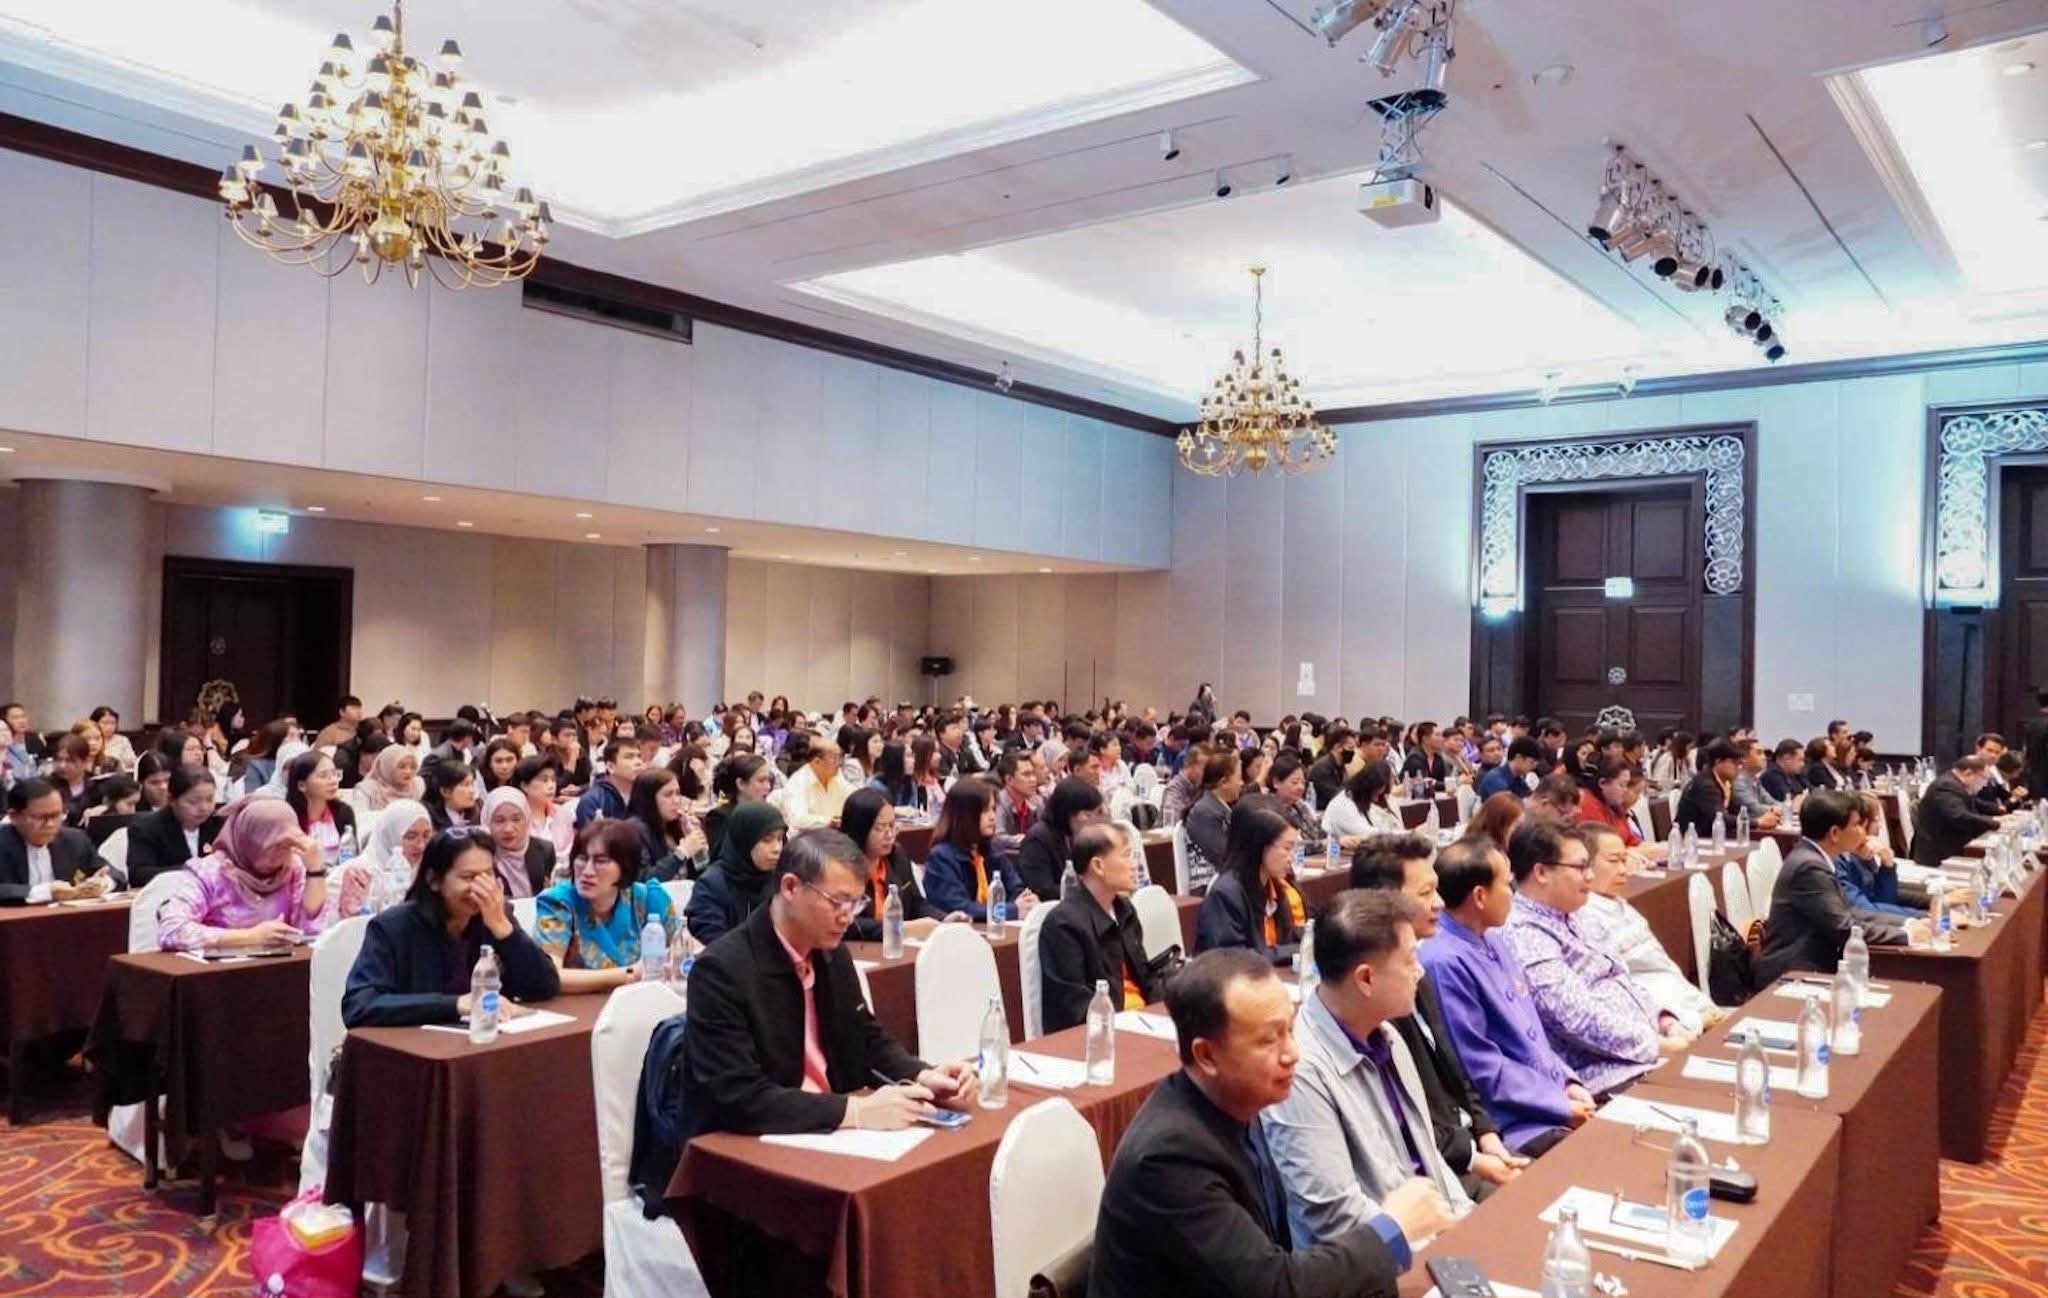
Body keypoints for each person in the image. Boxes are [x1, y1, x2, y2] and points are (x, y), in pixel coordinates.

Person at [1089, 948, 1403, 1298]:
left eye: (1290, 1030)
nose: (1292, 1054)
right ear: (1207, 1055)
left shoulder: (1239, 1103)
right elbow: (1273, 1289)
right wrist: (1390, 1231)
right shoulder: (1168, 1157)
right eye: (1269, 1040)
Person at [675, 829, 977, 1145]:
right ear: (790, 887)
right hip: (751, 1145)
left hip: (826, 1130)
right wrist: (855, 1111)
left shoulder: (831, 954)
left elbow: (865, 1039)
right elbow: (740, 1096)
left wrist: (923, 1076)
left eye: (856, 903)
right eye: (837, 902)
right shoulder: (721, 971)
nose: (847, 917)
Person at [1261, 889, 1468, 1262]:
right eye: (1410, 960)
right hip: (1376, 1267)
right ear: (1366, 979)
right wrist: (1431, 1244)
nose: (1420, 971)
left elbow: (1428, 1158)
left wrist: (1468, 1224)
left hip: (1438, 1244)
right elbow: (1334, 1217)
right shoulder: (1301, 1072)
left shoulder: (1387, 1036)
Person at [1348, 836, 1524, 1201]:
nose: (1440, 903)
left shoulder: (1417, 964)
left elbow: (1456, 1069)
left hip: (1468, 1143)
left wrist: (1485, 1132)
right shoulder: (1375, 992)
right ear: (1384, 902)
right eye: (1426, 893)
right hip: (1438, 1169)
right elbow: (1407, 1116)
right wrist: (1474, 1157)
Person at [1417, 838, 1592, 1155]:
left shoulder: (1493, 937)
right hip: (1512, 1121)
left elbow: (1532, 1033)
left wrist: (1567, 1081)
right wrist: (1556, 1103)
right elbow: (1478, 1065)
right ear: (1480, 896)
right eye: (1507, 884)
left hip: (1547, 1097)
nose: (1513, 893)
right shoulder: (1443, 961)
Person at [1500, 822, 1686, 1095]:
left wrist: (1665, 1020)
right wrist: (1657, 1045)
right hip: (1605, 1071)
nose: (1590, 876)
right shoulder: (1524, 934)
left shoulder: (1579, 914)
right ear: (1541, 872)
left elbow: (1622, 978)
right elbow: (1576, 1019)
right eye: (1580, 867)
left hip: (1646, 1049)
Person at [341, 827, 560, 1027]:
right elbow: (359, 1006)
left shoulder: (495, 917)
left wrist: (504, 929)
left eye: (488, 875)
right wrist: (455, 1004)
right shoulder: (392, 927)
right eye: (468, 877)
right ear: (434, 880)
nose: (481, 888)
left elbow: (544, 986)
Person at [1755, 790, 1928, 987]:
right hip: (1793, 975)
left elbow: (1851, 912)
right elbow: (1844, 928)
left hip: (1813, 966)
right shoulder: (1809, 867)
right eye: (1857, 825)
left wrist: (1909, 923)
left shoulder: (1815, 858)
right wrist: (1907, 935)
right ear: (1835, 834)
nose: (1862, 832)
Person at [1574, 823, 1721, 1033]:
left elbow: (1663, 966)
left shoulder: (1621, 906)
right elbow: (1621, 986)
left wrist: (1700, 1004)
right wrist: (1687, 1020)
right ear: (1584, 865)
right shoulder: (1583, 915)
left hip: (1679, 998)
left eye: (1624, 860)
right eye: (1613, 861)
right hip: (1656, 1017)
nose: (1623, 870)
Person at [156, 797, 330, 952]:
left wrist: (315, 871)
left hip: (278, 969)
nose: (280, 857)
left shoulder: (292, 867)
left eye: (287, 846)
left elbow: (311, 930)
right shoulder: (210, 872)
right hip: (217, 972)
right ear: (248, 841)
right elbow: (171, 930)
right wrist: (249, 937)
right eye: (272, 847)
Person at [1038, 823, 1165, 1033]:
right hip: (1104, 1032)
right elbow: (1075, 1008)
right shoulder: (1063, 924)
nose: (1134, 865)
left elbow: (1146, 977)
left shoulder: (1124, 910)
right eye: (1126, 856)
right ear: (1098, 866)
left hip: (1144, 1020)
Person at [534, 818, 683, 991]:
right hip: (581, 1004)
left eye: (601, 861)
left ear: (625, 867)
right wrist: (630, 974)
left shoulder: (649, 898)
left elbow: (686, 951)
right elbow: (550, 976)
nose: (587, 871)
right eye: (582, 858)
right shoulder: (557, 903)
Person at [838, 789, 956, 941]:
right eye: (880, 828)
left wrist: (944, 919)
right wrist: (900, 928)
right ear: (860, 828)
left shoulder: (896, 856)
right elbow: (848, 924)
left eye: (892, 825)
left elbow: (916, 903)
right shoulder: (840, 866)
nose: (889, 835)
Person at [1197, 805, 1304, 966]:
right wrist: (1296, 950)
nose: (1292, 858)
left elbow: (1288, 936)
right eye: (1287, 848)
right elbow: (1234, 959)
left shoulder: (1273, 885)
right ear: (1260, 846)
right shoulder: (1226, 894)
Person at [920, 779, 1037, 922]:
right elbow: (960, 908)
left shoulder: (992, 849)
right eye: (985, 811)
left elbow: (1015, 888)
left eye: (993, 809)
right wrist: (1013, 910)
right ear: (965, 815)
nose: (992, 817)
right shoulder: (941, 858)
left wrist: (1026, 901)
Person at [685, 801, 788, 945]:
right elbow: (713, 944)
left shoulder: (779, 879)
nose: (777, 848)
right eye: (767, 840)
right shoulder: (711, 885)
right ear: (744, 840)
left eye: (780, 839)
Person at [1, 779, 117, 900]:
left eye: (56, 815)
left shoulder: (75, 840)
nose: (50, 824)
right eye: (40, 817)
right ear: (14, 816)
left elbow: (114, 874)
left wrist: (103, 883)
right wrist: (45, 892)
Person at [125, 765, 221, 887]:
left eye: (210, 799)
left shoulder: (219, 824)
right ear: (171, 800)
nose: (204, 808)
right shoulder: (146, 828)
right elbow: (138, 875)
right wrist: (192, 870)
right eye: (193, 802)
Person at [335, 798, 430, 917]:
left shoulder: (430, 873)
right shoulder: (357, 875)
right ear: (389, 836)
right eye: (411, 837)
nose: (421, 845)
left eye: (426, 836)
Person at [1015, 776, 1105, 900]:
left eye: (1096, 814)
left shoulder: (1072, 835)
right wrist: (1089, 890)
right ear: (1067, 812)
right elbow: (1042, 890)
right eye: (1087, 815)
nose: (1093, 821)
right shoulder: (1037, 839)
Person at [1910, 755, 2003, 867]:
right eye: (1984, 778)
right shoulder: (1946, 786)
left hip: (1951, 847)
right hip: (1939, 856)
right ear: (1968, 773)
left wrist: (1997, 814)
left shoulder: (1954, 784)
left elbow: (1974, 803)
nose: (1985, 784)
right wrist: (1995, 823)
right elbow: (1960, 816)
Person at [626, 767, 707, 882]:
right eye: (668, 795)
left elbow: (702, 874)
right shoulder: (634, 830)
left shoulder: (676, 825)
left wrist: (697, 847)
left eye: (678, 793)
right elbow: (644, 880)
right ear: (649, 799)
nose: (676, 800)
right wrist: (681, 853)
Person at [282, 749, 359, 869]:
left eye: (335, 774)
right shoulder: (287, 818)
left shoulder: (343, 812)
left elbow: (352, 856)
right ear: (301, 785)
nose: (333, 781)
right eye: (323, 776)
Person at [1183, 748, 1245, 893]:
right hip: (1208, 885)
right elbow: (1223, 857)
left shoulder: (1222, 807)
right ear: (1223, 782)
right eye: (1238, 778)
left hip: (1227, 880)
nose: (1242, 783)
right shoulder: (1204, 812)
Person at [478, 785, 555, 898]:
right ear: (487, 823)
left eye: (516, 819)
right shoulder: (481, 856)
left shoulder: (545, 850)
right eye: (499, 821)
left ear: (527, 819)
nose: (508, 829)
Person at [703, 753, 774, 862]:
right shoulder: (721, 817)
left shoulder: (770, 814)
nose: (768, 787)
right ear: (741, 784)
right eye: (761, 781)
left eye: (768, 780)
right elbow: (721, 858)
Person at [781, 738, 852, 831]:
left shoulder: (837, 775)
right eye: (834, 759)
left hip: (835, 834)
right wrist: (829, 821)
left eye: (840, 758)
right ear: (817, 762)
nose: (840, 763)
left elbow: (853, 795)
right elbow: (798, 820)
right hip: (806, 837)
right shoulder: (798, 782)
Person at [1323, 762, 1401, 846]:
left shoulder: (1358, 800)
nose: (1376, 799)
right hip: (1332, 851)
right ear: (1368, 788)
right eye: (1376, 794)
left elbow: (1382, 827)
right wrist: (1403, 834)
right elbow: (1369, 834)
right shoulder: (1342, 806)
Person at [1266, 753, 1328, 855]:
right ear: (1276, 782)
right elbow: (1295, 846)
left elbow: (1319, 833)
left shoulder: (1301, 805)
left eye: (1303, 783)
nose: (1301, 787)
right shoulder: (1269, 809)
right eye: (1294, 782)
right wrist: (1327, 844)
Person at [575, 738, 644, 827]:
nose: (638, 762)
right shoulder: (593, 800)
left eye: (639, 756)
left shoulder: (648, 796)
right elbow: (589, 834)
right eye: (629, 757)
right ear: (611, 767)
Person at [991, 748, 1043, 857]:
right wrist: (1029, 839)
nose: (1033, 779)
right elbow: (996, 838)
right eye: (1026, 774)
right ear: (1009, 779)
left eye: (1033, 774)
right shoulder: (997, 802)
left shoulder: (1037, 801)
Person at [356, 743, 423, 814]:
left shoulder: (417, 787)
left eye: (412, 767)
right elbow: (360, 816)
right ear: (387, 767)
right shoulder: (368, 790)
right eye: (402, 767)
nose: (408, 772)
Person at [420, 759, 480, 832]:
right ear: (445, 792)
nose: (472, 791)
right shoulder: (428, 817)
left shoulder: (479, 811)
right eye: (465, 785)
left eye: (472, 784)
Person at [1305, 726, 1356, 811]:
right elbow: (1335, 796)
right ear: (1338, 747)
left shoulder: (1340, 766)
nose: (1353, 752)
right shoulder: (1322, 768)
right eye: (1350, 748)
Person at [1477, 737, 1541, 802]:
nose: (1534, 767)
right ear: (1518, 758)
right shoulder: (1495, 779)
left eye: (1499, 748)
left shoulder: (1518, 779)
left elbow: (1532, 799)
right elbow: (1509, 806)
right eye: (1531, 762)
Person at [1461, 791, 1525, 853]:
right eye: (1516, 824)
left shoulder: (1472, 838)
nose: (1517, 830)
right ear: (1502, 823)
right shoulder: (1486, 852)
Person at [90, 706, 136, 771]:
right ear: (95, 723)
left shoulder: (122, 740)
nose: (109, 727)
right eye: (105, 723)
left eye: (112, 723)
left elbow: (132, 761)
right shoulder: (90, 740)